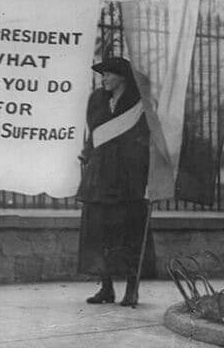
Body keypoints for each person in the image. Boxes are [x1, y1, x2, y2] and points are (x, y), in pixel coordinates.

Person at [76, 56, 154, 307]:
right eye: (103, 75)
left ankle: (132, 289)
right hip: (100, 176)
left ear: (123, 77)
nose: (104, 79)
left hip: (128, 178)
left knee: (128, 233)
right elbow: (93, 134)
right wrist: (88, 155)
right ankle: (106, 288)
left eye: (109, 74)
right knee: (99, 233)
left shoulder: (139, 103)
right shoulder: (97, 100)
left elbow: (147, 139)